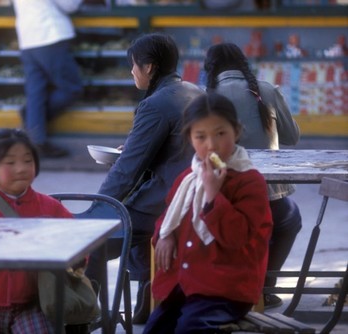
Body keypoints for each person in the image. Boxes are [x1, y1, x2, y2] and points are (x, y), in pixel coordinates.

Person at [86, 33, 203, 324]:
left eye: (133, 65)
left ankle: (83, 312)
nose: (131, 72)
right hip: (197, 195)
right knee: (131, 215)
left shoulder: (154, 105)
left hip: (168, 203)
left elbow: (128, 169)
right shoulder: (196, 92)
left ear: (148, 67)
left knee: (93, 241)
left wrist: (98, 207)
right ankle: (144, 303)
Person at [144, 92, 273, 333]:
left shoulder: (249, 181)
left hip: (226, 288)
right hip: (187, 283)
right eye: (200, 136)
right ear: (190, 139)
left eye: (220, 133)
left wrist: (214, 196)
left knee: (189, 328)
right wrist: (165, 235)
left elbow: (237, 237)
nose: (211, 145)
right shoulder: (188, 178)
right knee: (156, 328)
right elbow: (169, 216)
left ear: (237, 131)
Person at [204, 42, 302, 309]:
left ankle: (239, 286)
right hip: (269, 194)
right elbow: (292, 137)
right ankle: (265, 286)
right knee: (289, 220)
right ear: (242, 63)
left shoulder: (206, 97)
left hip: (220, 192)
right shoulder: (266, 91)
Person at [0, 128, 79, 334]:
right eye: (10, 162)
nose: (21, 168)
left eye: (28, 161)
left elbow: (81, 245)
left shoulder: (50, 207)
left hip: (32, 305)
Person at [12, 0, 84, 158]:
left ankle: (36, 136)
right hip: (50, 35)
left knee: (35, 94)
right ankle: (32, 118)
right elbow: (70, 5)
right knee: (72, 88)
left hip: (28, 39)